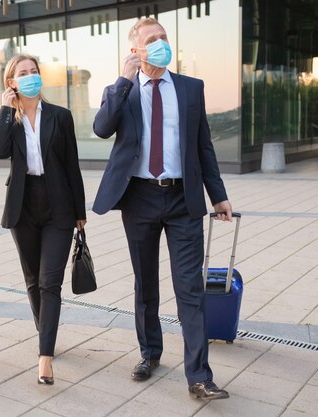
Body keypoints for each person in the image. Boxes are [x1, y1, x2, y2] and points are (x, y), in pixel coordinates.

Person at [92, 18, 232, 400]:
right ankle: (149, 354)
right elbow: (102, 128)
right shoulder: (122, 91)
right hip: (138, 197)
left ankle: (199, 376)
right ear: (136, 48)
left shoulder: (190, 88)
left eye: (164, 38)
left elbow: (203, 145)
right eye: (151, 40)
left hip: (182, 199)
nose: (160, 44)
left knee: (189, 287)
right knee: (145, 285)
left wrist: (216, 194)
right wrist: (123, 80)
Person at [0, 54, 87, 385]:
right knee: (32, 279)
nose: (30, 77)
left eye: (34, 72)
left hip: (58, 204)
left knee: (49, 281)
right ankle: (45, 330)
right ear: (12, 82)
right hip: (23, 206)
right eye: (23, 73)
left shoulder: (61, 117)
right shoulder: (10, 120)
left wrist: (80, 213)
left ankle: (45, 357)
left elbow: (72, 165)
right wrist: (6, 109)